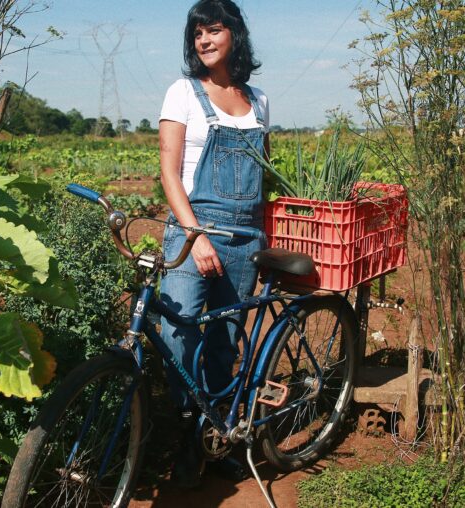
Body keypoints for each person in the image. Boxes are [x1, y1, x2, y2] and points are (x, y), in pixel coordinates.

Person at [157, 0, 269, 489]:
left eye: (213, 30)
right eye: (197, 33)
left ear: (234, 36)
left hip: (245, 239)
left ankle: (213, 439)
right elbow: (169, 172)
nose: (203, 40)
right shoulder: (182, 92)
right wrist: (194, 235)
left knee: (224, 342)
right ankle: (180, 438)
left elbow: (263, 180)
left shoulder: (259, 100)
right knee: (176, 337)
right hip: (192, 232)